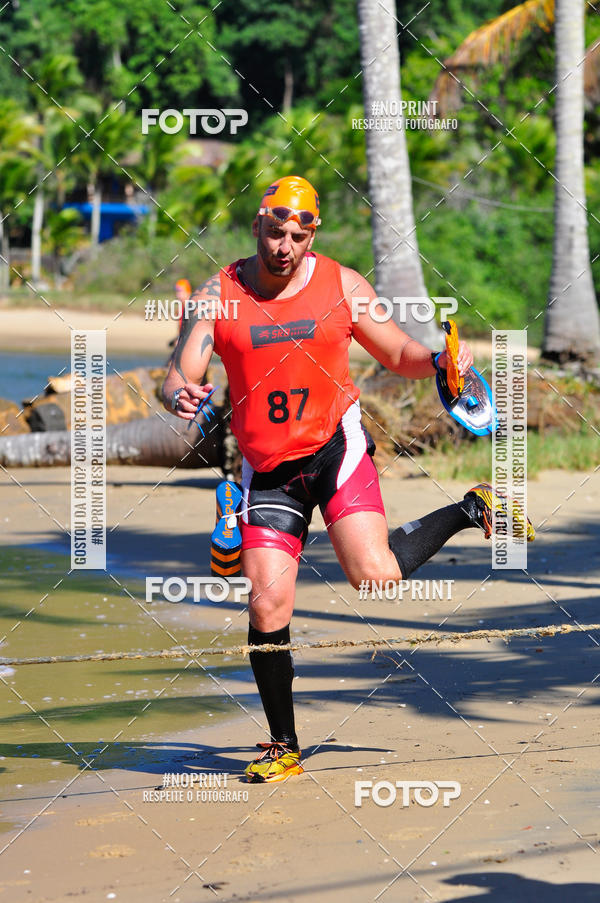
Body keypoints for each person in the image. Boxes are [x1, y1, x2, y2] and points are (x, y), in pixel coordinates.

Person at [161, 175, 534, 784]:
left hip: (335, 448)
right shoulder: (216, 296)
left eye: (297, 236)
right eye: (274, 231)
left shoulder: (345, 287)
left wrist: (441, 361)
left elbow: (399, 355)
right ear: (256, 226)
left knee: (375, 576)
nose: (284, 246)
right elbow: (180, 371)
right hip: (268, 468)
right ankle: (283, 746)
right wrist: (181, 395)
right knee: (267, 602)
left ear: (312, 237)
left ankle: (470, 509)